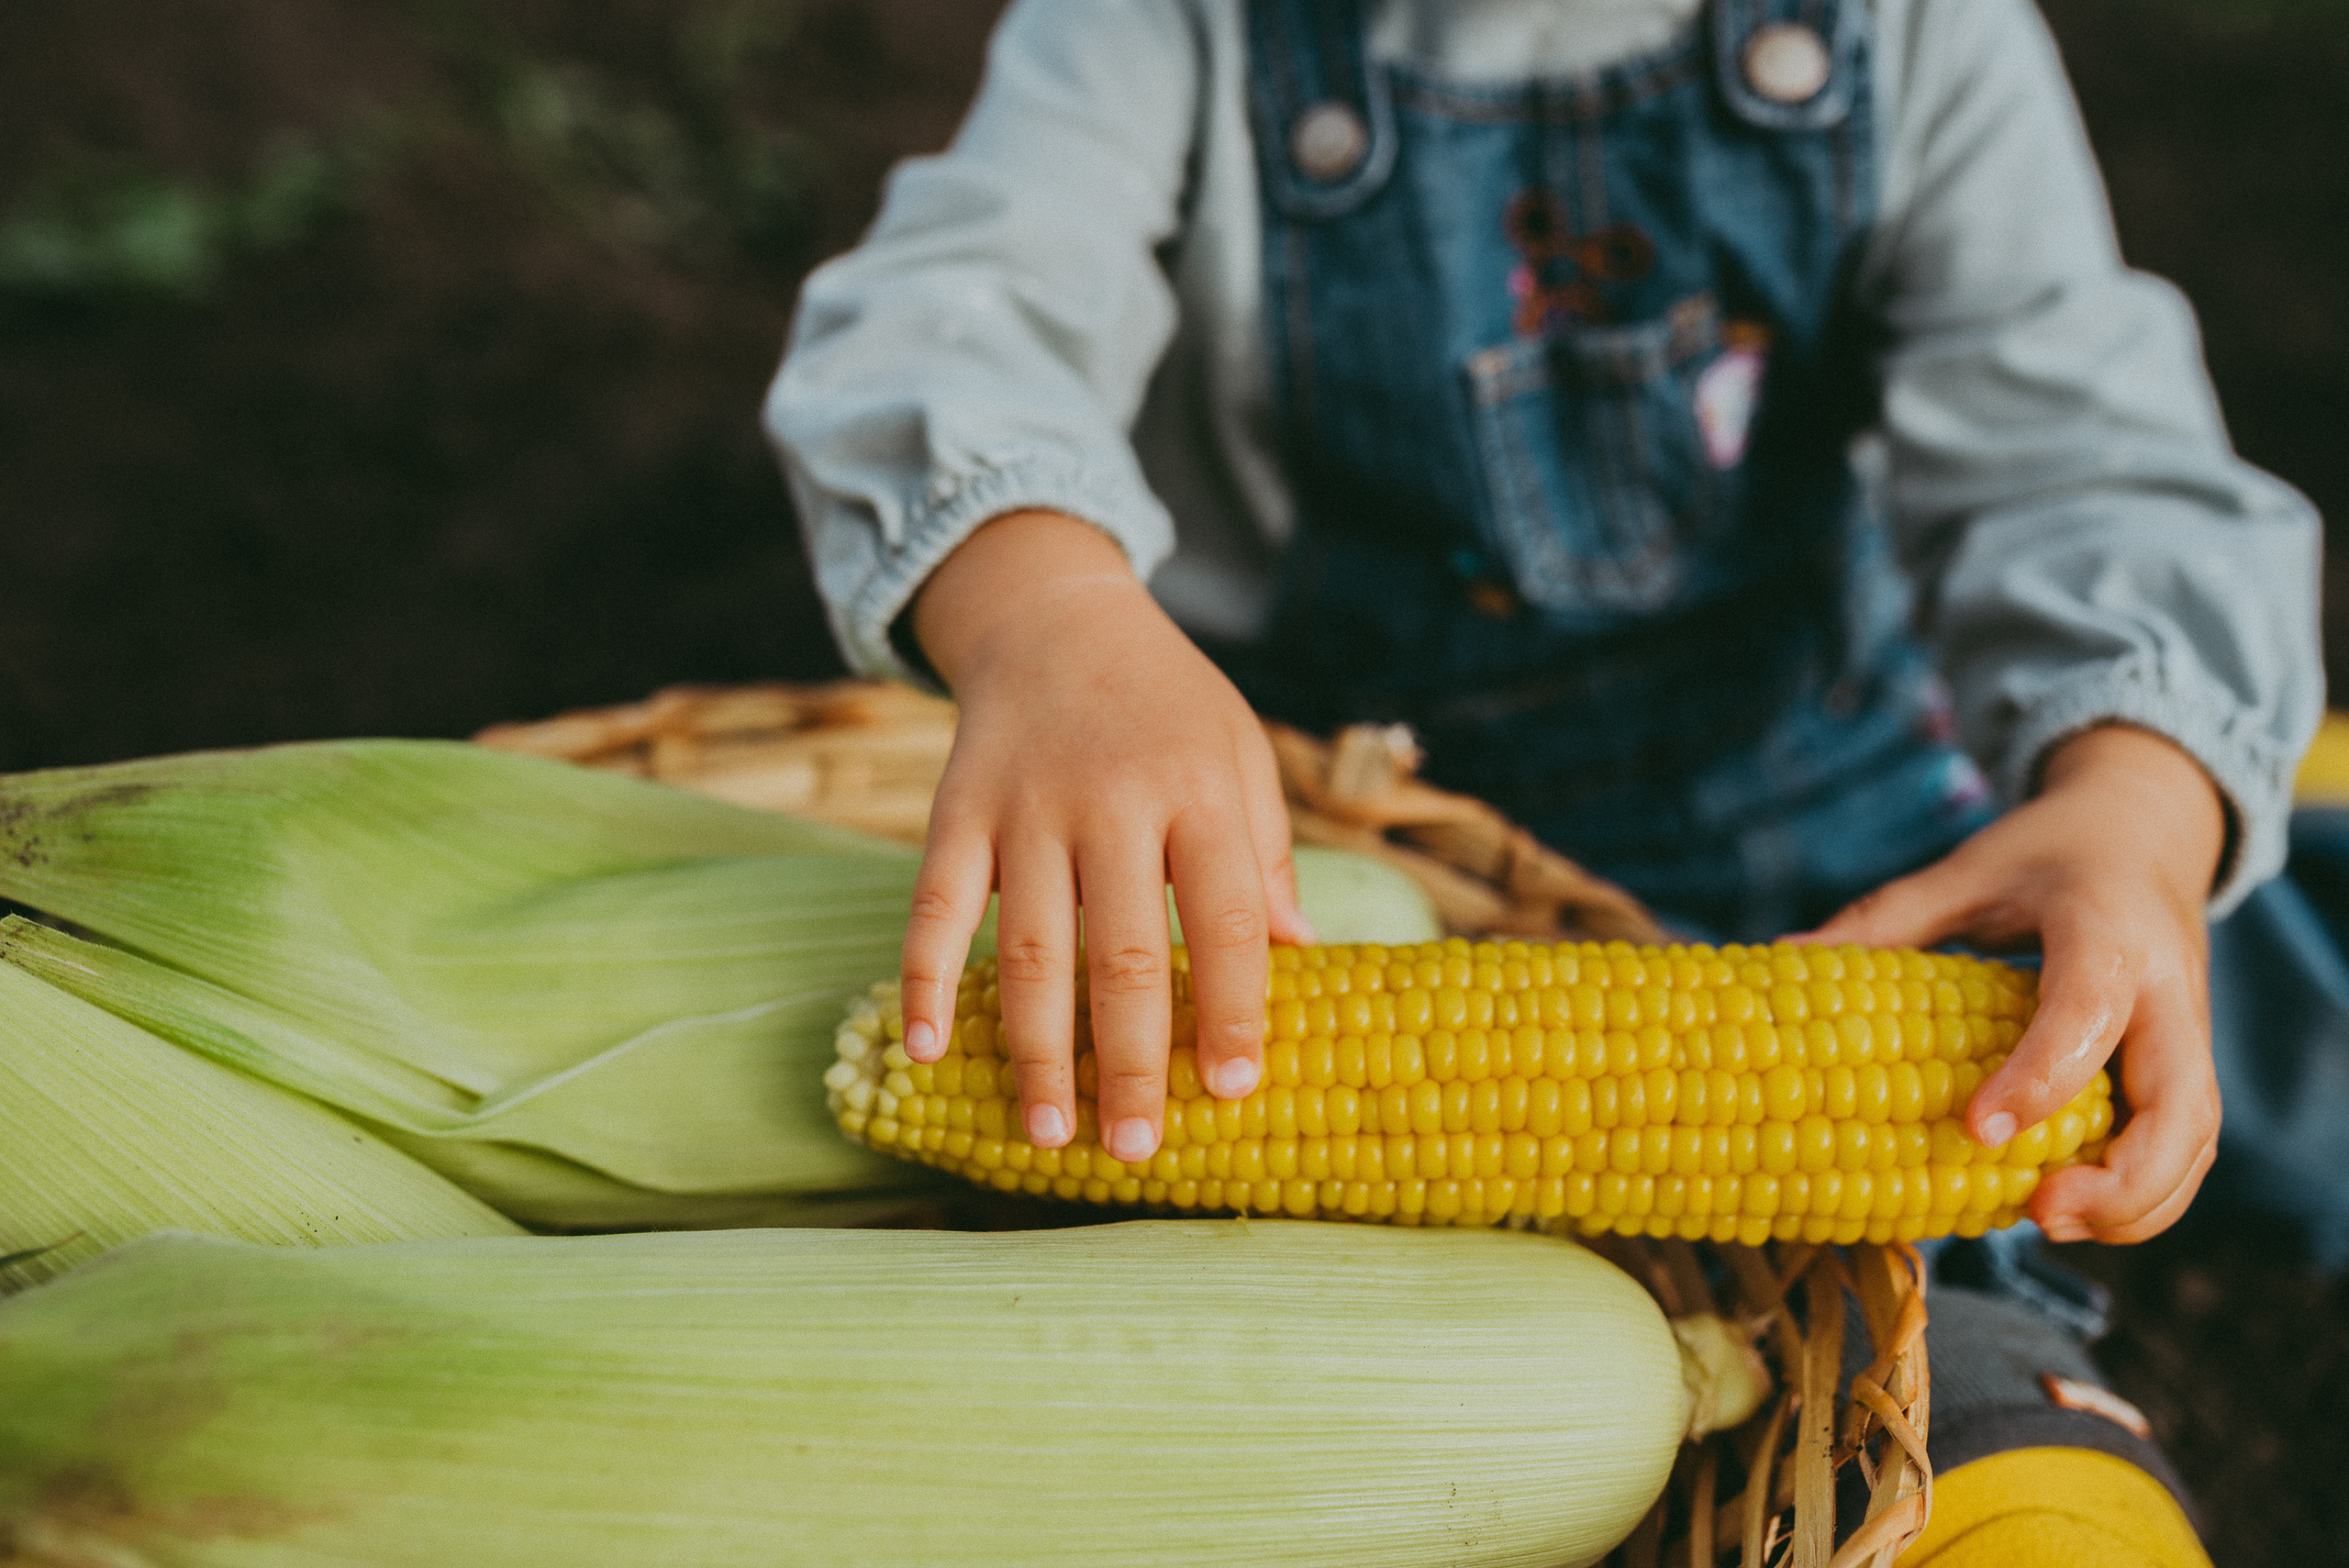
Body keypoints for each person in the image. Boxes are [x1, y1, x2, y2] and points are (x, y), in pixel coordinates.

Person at [770, 0, 2317, 1555]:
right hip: (1338, 848)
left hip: (1848, 834)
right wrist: (1049, 614)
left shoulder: (1910, 28)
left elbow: (2084, 458)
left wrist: (2140, 799)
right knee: (1900, 1290)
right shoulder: (1162, 28)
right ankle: (1996, 1420)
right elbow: (956, 308)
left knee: (2192, 990)